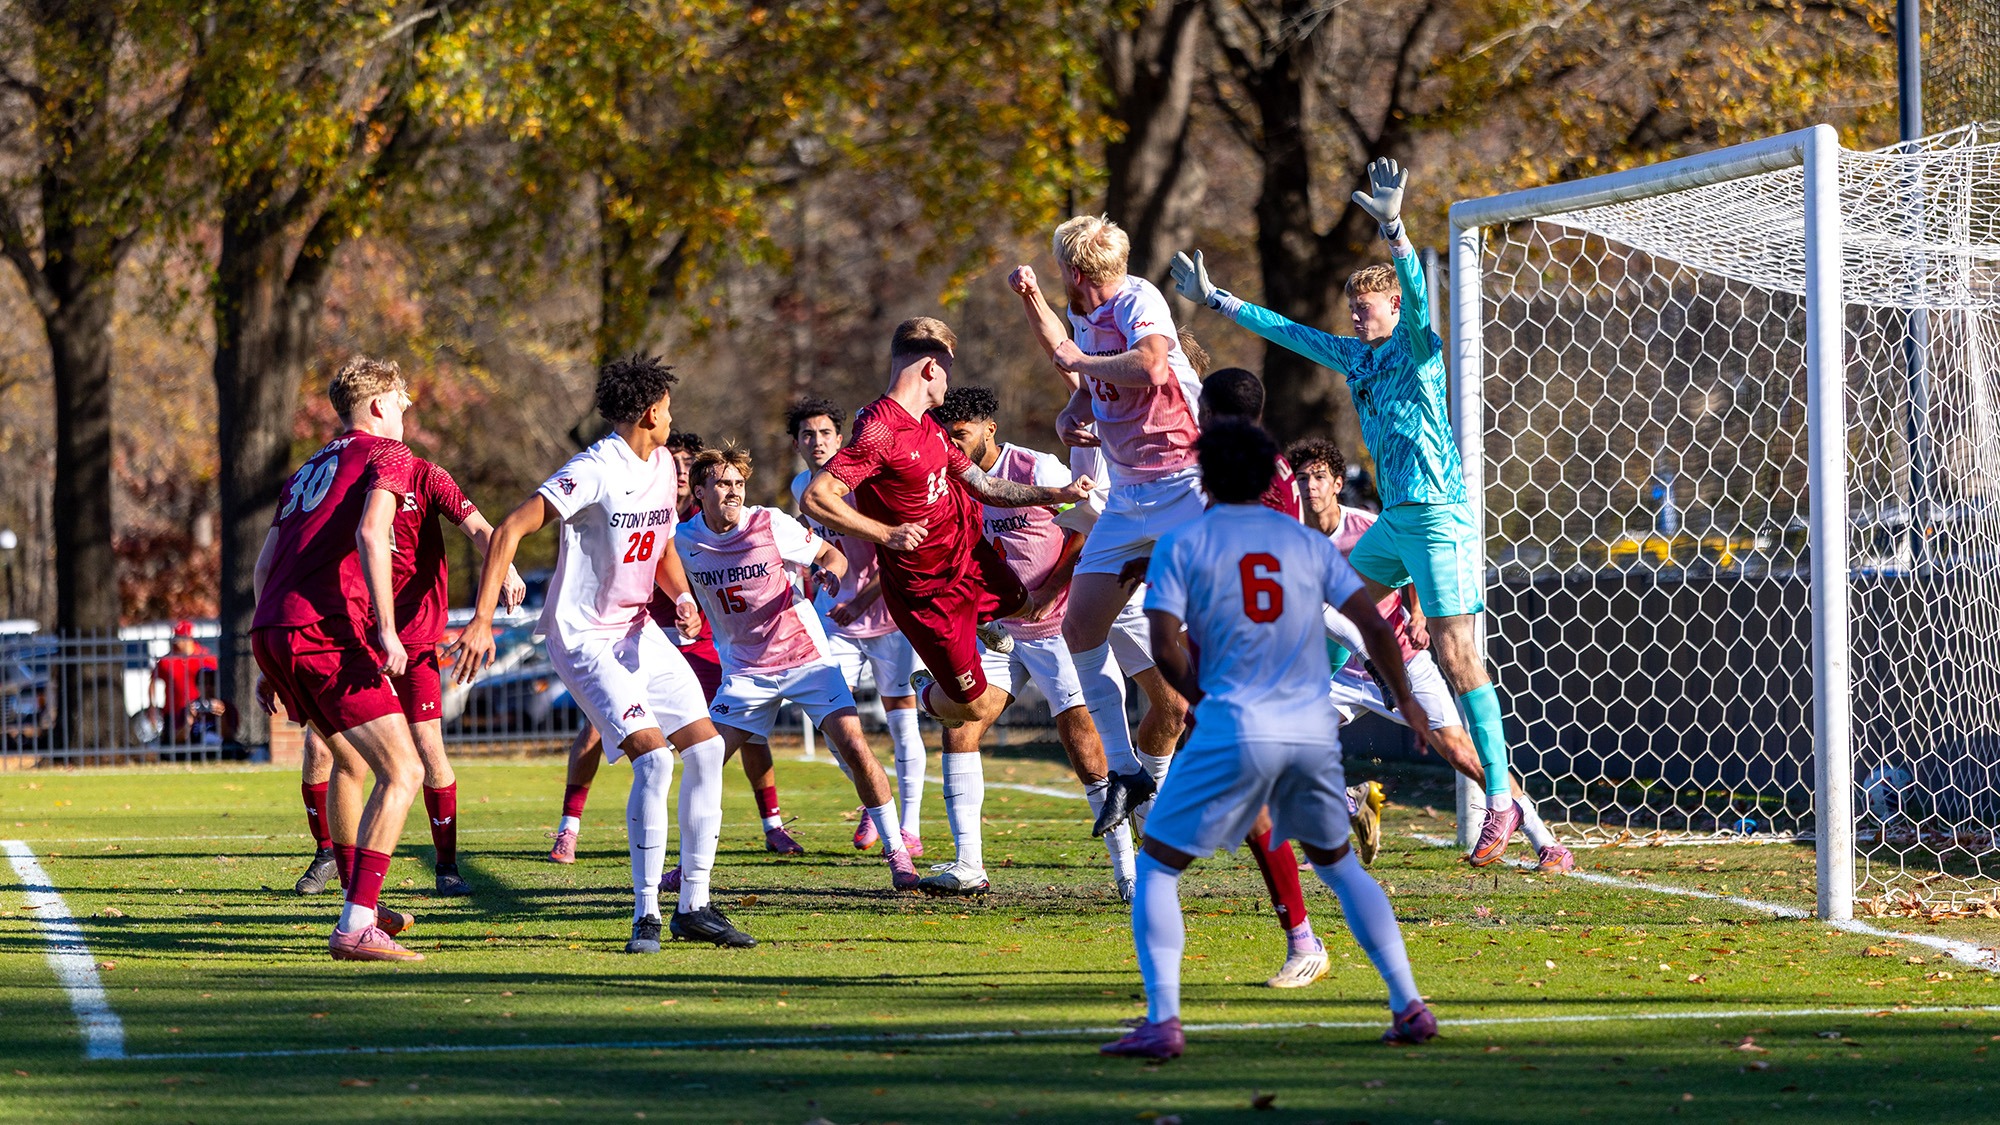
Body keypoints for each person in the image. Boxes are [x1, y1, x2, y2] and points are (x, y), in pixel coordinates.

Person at [1173, 158, 1524, 864]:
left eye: (1371, 306)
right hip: (1395, 519)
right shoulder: (1356, 357)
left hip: (1440, 516)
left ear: (1394, 308)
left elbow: (1422, 295)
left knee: (1457, 655)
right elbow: (1287, 329)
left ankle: (1502, 801)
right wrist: (1217, 300)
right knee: (1331, 616)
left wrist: (1395, 230)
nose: (1361, 316)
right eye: (1355, 308)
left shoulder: (1419, 345)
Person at [1099, 421, 1438, 1060]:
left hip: (1233, 727)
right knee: (1338, 866)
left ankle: (1163, 1022)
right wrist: (1409, 699)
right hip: (1307, 726)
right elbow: (1369, 620)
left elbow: (1165, 642)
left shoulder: (1187, 545)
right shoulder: (1305, 543)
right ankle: (1409, 1003)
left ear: (1207, 479)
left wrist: (1201, 699)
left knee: (1158, 869)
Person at [454, 355, 753, 953]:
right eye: (668, 407)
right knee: (655, 761)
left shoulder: (668, 465)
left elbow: (662, 541)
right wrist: (482, 620)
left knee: (708, 748)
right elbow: (511, 528)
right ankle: (645, 915)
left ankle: (694, 905)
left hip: (638, 631)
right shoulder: (593, 468)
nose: (673, 417)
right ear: (649, 411)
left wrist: (682, 596)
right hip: (584, 637)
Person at [1288, 438, 1574, 875]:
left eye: (1319, 477)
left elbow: (1412, 559)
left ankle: (1547, 842)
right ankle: (1351, 803)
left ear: (1338, 483)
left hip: (1399, 661)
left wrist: (1418, 613)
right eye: (1302, 478)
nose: (1311, 486)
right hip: (1339, 673)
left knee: (1463, 754)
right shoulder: (1290, 540)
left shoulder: (1367, 526)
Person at [1007, 215, 1203, 838]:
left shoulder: (1138, 299)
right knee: (1079, 625)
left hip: (1185, 485)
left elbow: (1148, 366)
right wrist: (1074, 408)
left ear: (1076, 272)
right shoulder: (1085, 318)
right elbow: (1083, 372)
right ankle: (1127, 773)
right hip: (1128, 500)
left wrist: (1081, 360)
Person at [799, 317, 1092, 732]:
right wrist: (887, 533)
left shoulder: (930, 429)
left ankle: (984, 620)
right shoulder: (880, 431)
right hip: (930, 597)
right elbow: (815, 497)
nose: (949, 382)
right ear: (931, 368)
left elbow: (987, 486)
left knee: (1026, 605)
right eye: (949, 369)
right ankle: (925, 690)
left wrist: (1058, 495)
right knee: (973, 711)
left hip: (973, 559)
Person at [547, 431, 802, 865]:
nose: (680, 472)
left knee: (743, 722)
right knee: (599, 730)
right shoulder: (642, 501)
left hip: (697, 640)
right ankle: (569, 829)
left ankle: (771, 825)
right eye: (677, 463)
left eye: (687, 465)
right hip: (638, 633)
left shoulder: (711, 512)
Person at [923, 386, 1137, 899]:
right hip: (998, 631)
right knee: (963, 723)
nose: (954, 444)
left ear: (989, 428)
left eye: (962, 434)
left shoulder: (1035, 468)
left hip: (1056, 626)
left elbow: (1089, 525)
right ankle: (969, 865)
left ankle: (1128, 872)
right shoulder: (951, 482)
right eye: (946, 436)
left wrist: (1048, 589)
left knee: (1083, 743)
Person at [677, 446, 921, 890]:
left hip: (806, 658)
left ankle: (898, 853)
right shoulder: (685, 538)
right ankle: (691, 868)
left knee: (854, 745)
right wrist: (688, 608)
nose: (732, 492)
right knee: (706, 763)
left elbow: (834, 556)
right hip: (746, 672)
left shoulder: (769, 522)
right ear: (700, 492)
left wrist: (829, 573)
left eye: (738, 484)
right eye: (722, 484)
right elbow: (671, 578)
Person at [250, 355, 426, 962]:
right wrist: (387, 627)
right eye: (401, 399)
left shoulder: (309, 466)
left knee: (348, 763)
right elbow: (373, 535)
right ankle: (355, 926)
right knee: (405, 771)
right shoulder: (389, 454)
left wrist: (264, 656)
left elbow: (263, 566)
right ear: (378, 404)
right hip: (323, 631)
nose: (406, 409)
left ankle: (363, 903)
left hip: (273, 627)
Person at [787, 397, 927, 855]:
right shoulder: (800, 487)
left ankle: (909, 828)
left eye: (826, 433)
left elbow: (898, 551)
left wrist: (862, 599)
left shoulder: (862, 484)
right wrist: (821, 573)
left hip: (889, 618)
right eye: (809, 434)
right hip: (836, 621)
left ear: (840, 439)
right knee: (830, 724)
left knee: (903, 725)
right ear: (797, 443)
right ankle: (873, 795)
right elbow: (820, 546)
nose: (818, 441)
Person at [151, 621, 223, 746]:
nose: (177, 642)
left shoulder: (206, 657)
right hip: (173, 712)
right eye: (176, 638)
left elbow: (216, 679)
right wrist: (152, 707)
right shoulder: (167, 660)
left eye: (181, 638)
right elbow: (152, 681)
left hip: (199, 709)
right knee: (171, 743)